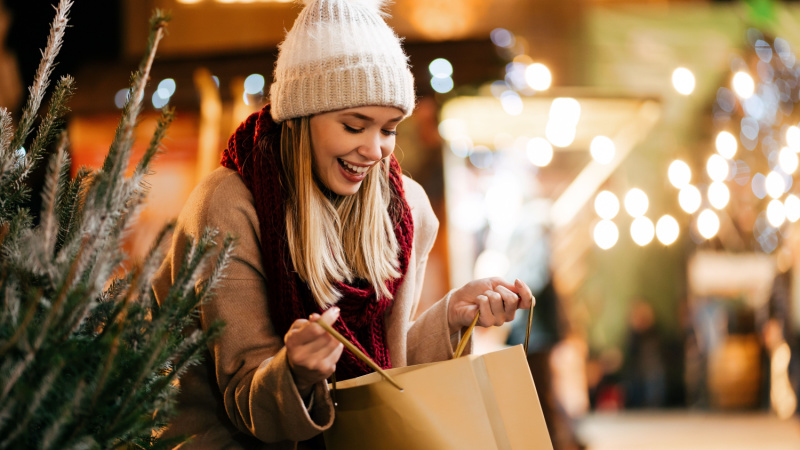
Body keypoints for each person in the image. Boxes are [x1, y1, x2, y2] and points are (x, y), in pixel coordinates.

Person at [152, 0, 534, 448]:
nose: (375, 150)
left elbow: (383, 373)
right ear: (301, 117)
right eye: (355, 126)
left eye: (389, 129)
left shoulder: (407, 210)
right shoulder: (229, 204)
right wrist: (294, 371)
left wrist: (451, 316)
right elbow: (244, 398)